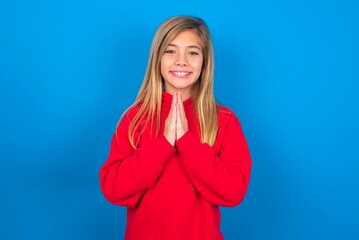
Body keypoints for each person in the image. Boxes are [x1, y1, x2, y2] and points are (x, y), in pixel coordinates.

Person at [100, 16, 252, 240]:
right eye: (171, 51)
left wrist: (186, 142)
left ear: (205, 61)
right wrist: (163, 145)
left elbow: (233, 192)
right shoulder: (135, 118)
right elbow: (113, 189)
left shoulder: (225, 121)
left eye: (192, 52)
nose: (182, 61)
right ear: (157, 59)